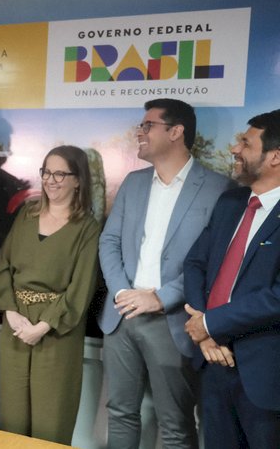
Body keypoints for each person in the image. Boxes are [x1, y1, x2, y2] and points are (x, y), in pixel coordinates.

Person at [98, 98, 233, 448]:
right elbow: (109, 241)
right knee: (119, 413)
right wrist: (121, 292)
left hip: (173, 321)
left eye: (148, 125)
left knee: (175, 424)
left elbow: (215, 261)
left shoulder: (219, 189)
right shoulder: (133, 182)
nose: (139, 132)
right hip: (121, 315)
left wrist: (160, 298)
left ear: (176, 132)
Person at [183, 109, 280, 449]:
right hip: (213, 364)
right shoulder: (230, 203)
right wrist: (204, 331)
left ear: (275, 156)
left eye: (245, 143)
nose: (235, 149)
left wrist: (209, 323)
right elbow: (195, 263)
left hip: (265, 376)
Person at [0, 145, 98, 444]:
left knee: (50, 422)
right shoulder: (27, 214)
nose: (51, 180)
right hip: (16, 325)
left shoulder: (87, 228)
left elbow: (81, 287)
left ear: (78, 180)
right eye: (46, 172)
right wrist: (11, 311)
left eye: (60, 174)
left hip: (56, 331)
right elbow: (3, 266)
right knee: (12, 419)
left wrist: (43, 326)